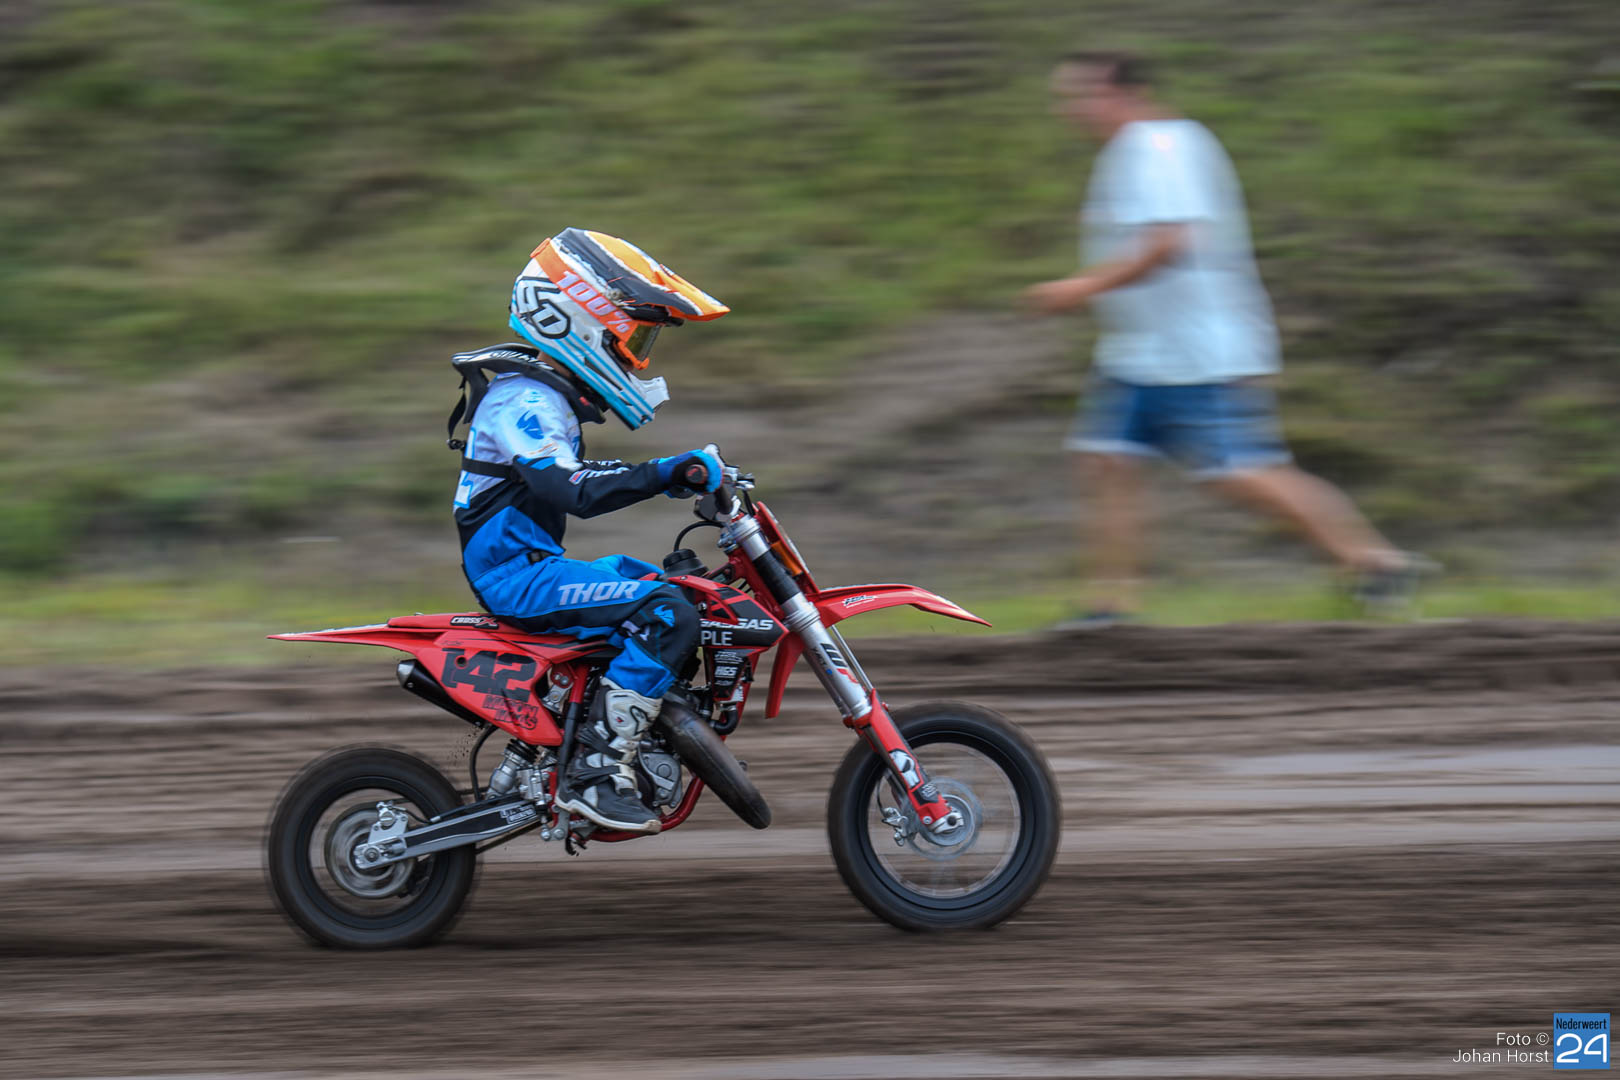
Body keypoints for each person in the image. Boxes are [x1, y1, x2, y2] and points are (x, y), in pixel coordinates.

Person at [1026, 52, 1426, 625]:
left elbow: (1171, 243)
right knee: (1106, 461)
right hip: (1141, 351)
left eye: (1079, 95)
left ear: (1123, 94)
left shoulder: (1159, 148)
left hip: (1193, 351)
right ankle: (1109, 607)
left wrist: (1082, 287)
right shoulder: (1140, 148)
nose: (1068, 109)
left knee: (1240, 471)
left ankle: (1377, 563)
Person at [450, 227, 729, 833]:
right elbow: (570, 490)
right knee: (666, 614)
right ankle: (596, 772)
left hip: (533, 567)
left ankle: (634, 727)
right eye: (633, 338)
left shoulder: (539, 398)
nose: (637, 357)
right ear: (576, 318)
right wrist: (662, 472)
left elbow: (574, 477)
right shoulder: (523, 402)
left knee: (674, 592)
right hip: (516, 578)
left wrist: (668, 476)